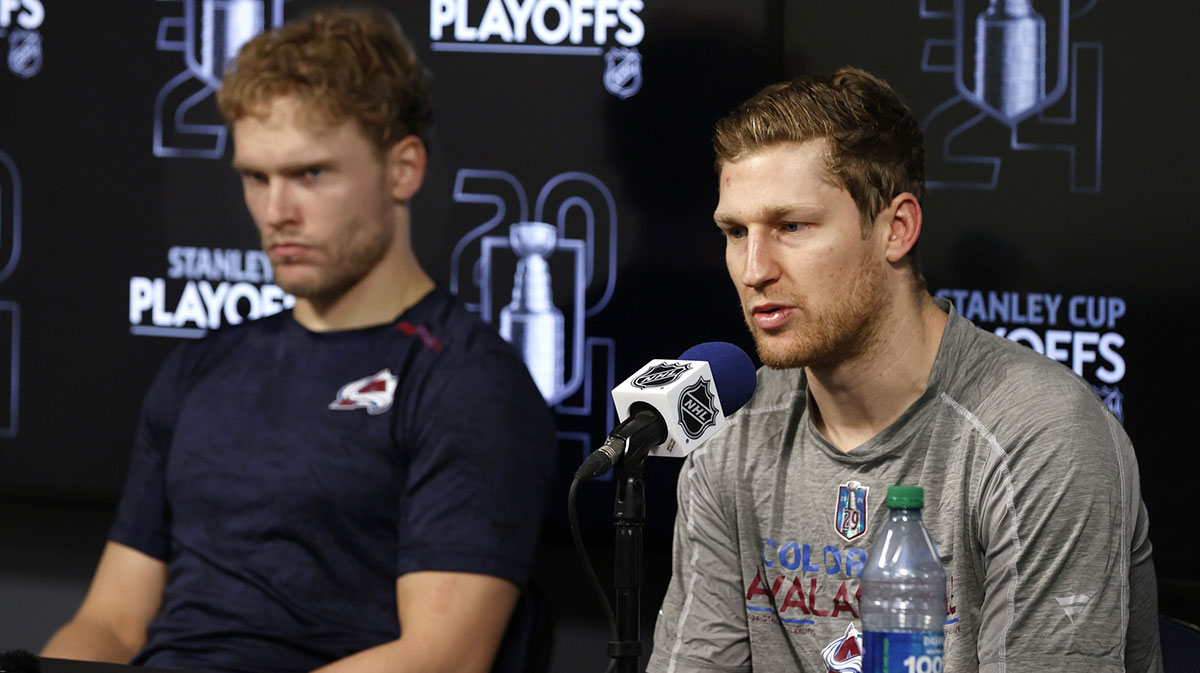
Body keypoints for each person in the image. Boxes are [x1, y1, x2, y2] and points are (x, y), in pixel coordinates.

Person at [41, 7, 556, 673]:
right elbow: (109, 622)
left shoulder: (469, 381)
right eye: (256, 177)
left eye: (311, 173)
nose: (276, 211)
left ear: (403, 169)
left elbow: (442, 656)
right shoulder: (199, 367)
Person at [646, 68, 1161, 673]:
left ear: (897, 229)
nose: (754, 269)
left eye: (791, 226)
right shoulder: (731, 434)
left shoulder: (1041, 437)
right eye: (736, 232)